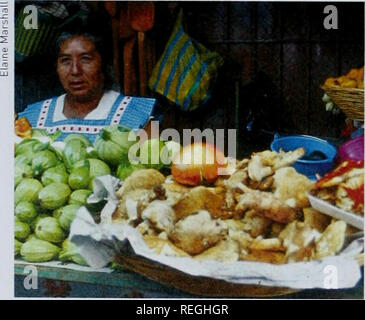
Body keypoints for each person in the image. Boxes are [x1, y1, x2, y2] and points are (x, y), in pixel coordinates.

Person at [18, 31, 156, 142]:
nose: (75, 71)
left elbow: (150, 173)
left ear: (104, 64)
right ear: (56, 67)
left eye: (85, 59)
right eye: (65, 61)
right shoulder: (33, 118)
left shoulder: (138, 116)